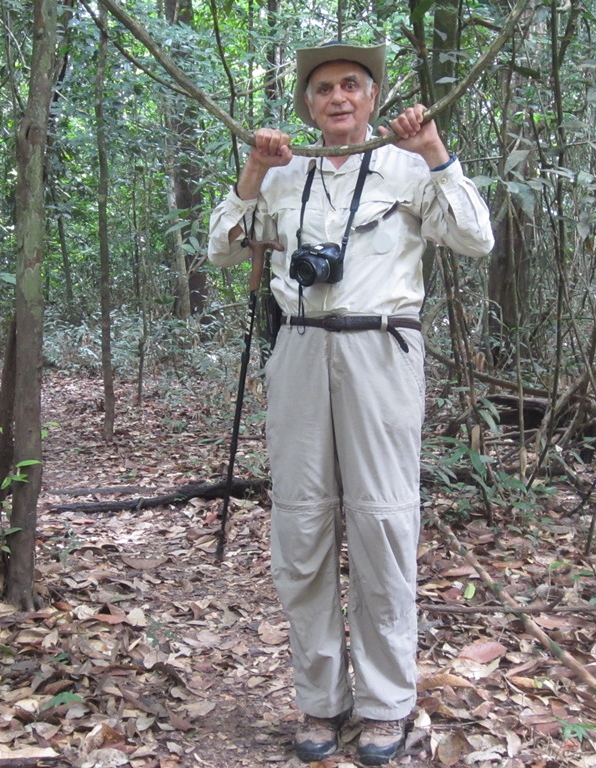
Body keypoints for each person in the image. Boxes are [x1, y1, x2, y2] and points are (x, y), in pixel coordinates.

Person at [208, 41, 494, 766]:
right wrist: (254, 170)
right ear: (308, 103)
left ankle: (386, 706)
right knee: (301, 527)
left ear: (371, 97)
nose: (338, 98)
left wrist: (434, 150)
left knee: (383, 524)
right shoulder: (284, 173)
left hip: (381, 348)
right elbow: (221, 247)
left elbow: (474, 239)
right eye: (324, 89)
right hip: (301, 348)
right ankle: (319, 700)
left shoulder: (405, 165)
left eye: (352, 87)